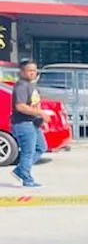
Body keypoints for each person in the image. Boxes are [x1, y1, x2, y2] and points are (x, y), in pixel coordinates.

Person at [9, 59, 48, 188]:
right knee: (28, 152)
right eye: (30, 71)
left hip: (34, 123)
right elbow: (20, 106)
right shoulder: (21, 86)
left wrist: (41, 119)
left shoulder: (31, 86)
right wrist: (41, 113)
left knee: (41, 148)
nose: (33, 73)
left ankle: (20, 170)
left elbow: (35, 104)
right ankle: (27, 179)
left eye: (35, 70)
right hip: (23, 123)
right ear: (22, 72)